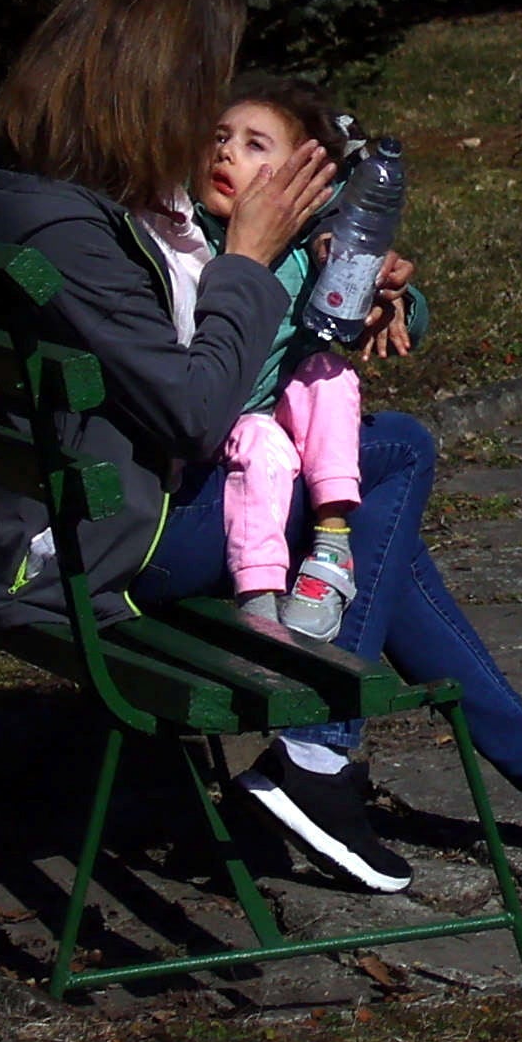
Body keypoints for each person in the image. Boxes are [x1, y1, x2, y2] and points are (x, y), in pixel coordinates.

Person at [0, 0, 522, 892]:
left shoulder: (58, 193)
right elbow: (197, 413)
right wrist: (249, 254)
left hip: (104, 505)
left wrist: (323, 281)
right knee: (392, 456)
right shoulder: (70, 228)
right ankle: (323, 761)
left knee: (369, 519)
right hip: (104, 542)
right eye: (201, 90)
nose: (205, 122)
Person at [198, 82, 368, 643]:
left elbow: (375, 304)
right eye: (220, 139)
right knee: (263, 445)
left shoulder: (305, 253)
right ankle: (259, 596)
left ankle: (332, 540)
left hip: (281, 411)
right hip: (223, 421)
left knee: (328, 374)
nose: (226, 153)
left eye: (254, 146)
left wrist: (391, 297)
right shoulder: (193, 242)